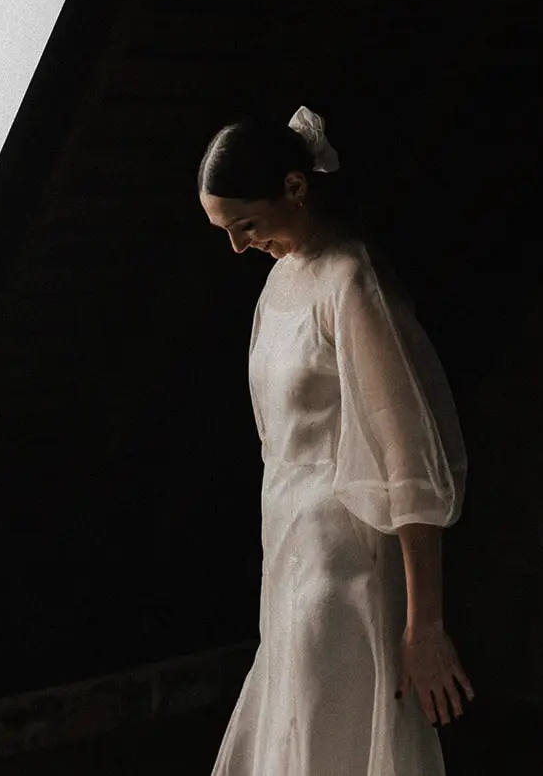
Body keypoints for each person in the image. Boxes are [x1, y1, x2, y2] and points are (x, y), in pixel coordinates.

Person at [198, 107, 473, 776]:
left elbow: (410, 457)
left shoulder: (351, 281)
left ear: (295, 188)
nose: (237, 246)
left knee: (333, 725)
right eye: (226, 232)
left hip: (344, 563)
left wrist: (424, 623)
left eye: (246, 226)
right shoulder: (279, 281)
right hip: (286, 545)